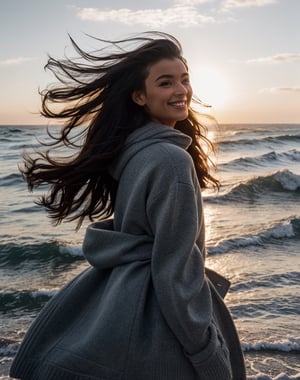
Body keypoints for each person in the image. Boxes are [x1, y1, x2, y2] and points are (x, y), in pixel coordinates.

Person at [10, 32, 246, 380]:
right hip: (160, 317)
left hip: (124, 300)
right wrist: (209, 354)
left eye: (184, 80)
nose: (181, 90)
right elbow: (175, 272)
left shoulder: (132, 153)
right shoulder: (170, 160)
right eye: (165, 83)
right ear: (139, 95)